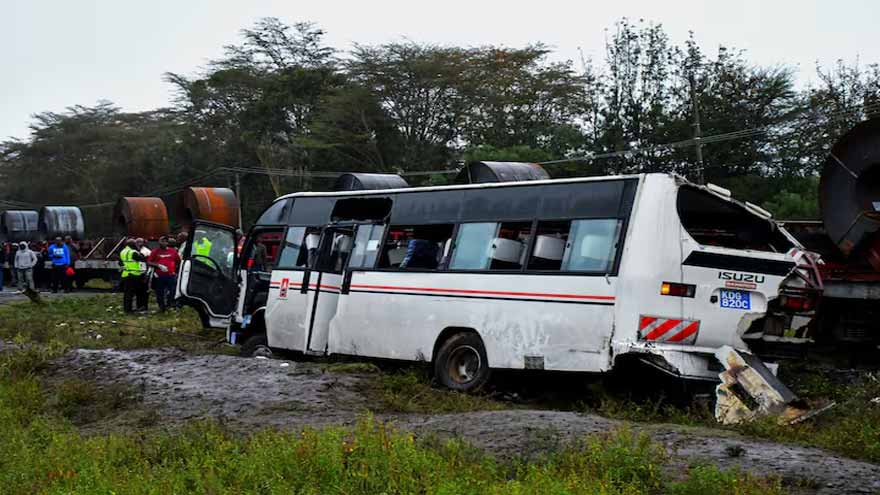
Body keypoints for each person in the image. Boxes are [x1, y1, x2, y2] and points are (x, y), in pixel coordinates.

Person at [147, 236, 181, 312]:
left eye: (165, 241)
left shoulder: (173, 251)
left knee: (172, 291)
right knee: (160, 292)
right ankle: (161, 307)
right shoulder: (155, 251)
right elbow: (149, 262)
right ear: (159, 242)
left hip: (171, 275)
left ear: (167, 243)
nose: (164, 242)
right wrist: (158, 265)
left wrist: (175, 270)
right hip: (159, 275)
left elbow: (179, 261)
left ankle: (170, 305)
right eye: (162, 241)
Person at [119, 239, 148, 313]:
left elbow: (120, 262)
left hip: (126, 274)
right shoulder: (133, 252)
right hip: (134, 275)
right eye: (135, 243)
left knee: (127, 294)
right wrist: (142, 252)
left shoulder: (123, 252)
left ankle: (127, 309)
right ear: (132, 244)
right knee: (136, 293)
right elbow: (142, 259)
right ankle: (134, 309)